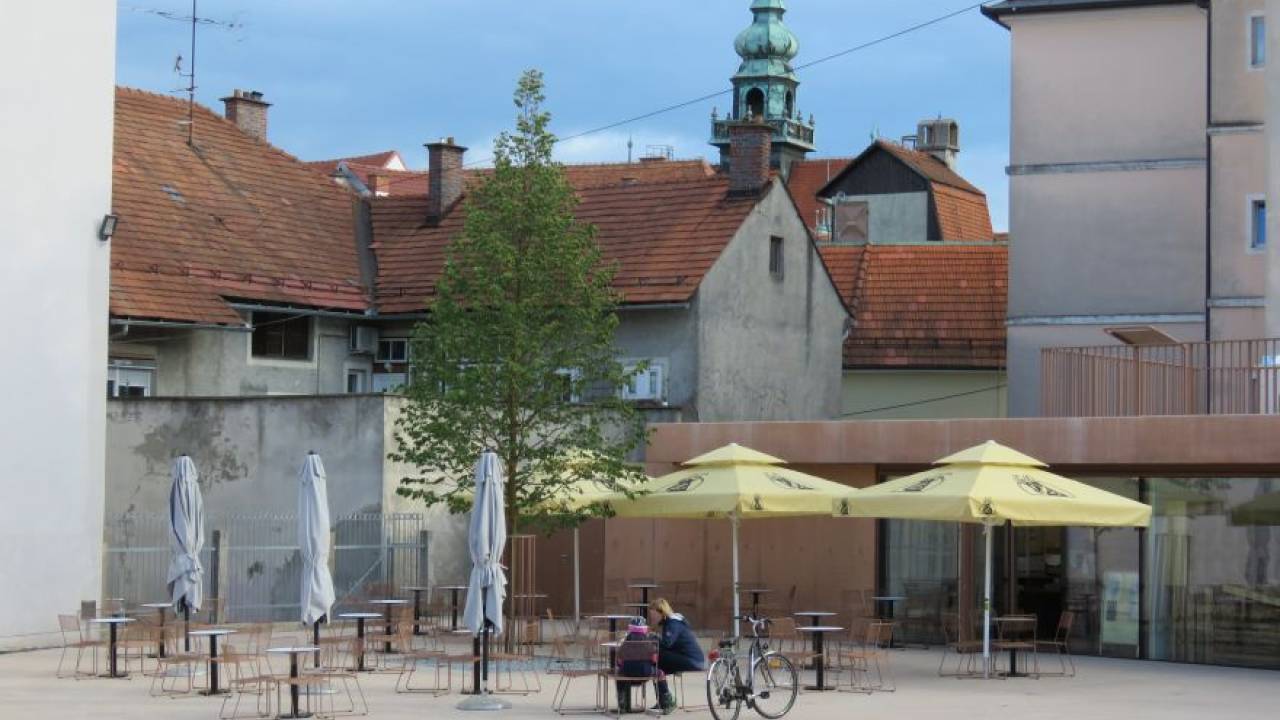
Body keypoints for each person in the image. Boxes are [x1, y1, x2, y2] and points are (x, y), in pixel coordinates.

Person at [650, 598, 704, 712]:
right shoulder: (671, 622)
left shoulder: (673, 623)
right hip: (689, 658)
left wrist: (653, 638)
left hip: (692, 660)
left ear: (662, 612)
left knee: (656, 658)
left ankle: (666, 701)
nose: (652, 618)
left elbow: (667, 643)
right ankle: (663, 701)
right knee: (656, 667)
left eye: (654, 615)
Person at [615, 618, 662, 714]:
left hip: (627, 673)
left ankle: (622, 702)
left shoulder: (626, 642)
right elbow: (654, 660)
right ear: (645, 628)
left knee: (619, 676)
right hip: (645, 672)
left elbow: (619, 661)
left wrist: (623, 665)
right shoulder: (649, 641)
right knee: (661, 673)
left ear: (630, 628)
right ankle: (663, 701)